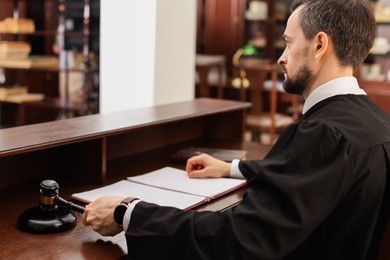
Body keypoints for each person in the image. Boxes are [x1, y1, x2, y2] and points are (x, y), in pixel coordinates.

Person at [82, 0, 390, 259]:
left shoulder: (323, 134)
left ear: (320, 45)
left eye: (288, 42)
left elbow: (239, 239)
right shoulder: (375, 120)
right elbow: (311, 176)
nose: (281, 58)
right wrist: (232, 168)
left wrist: (129, 213)